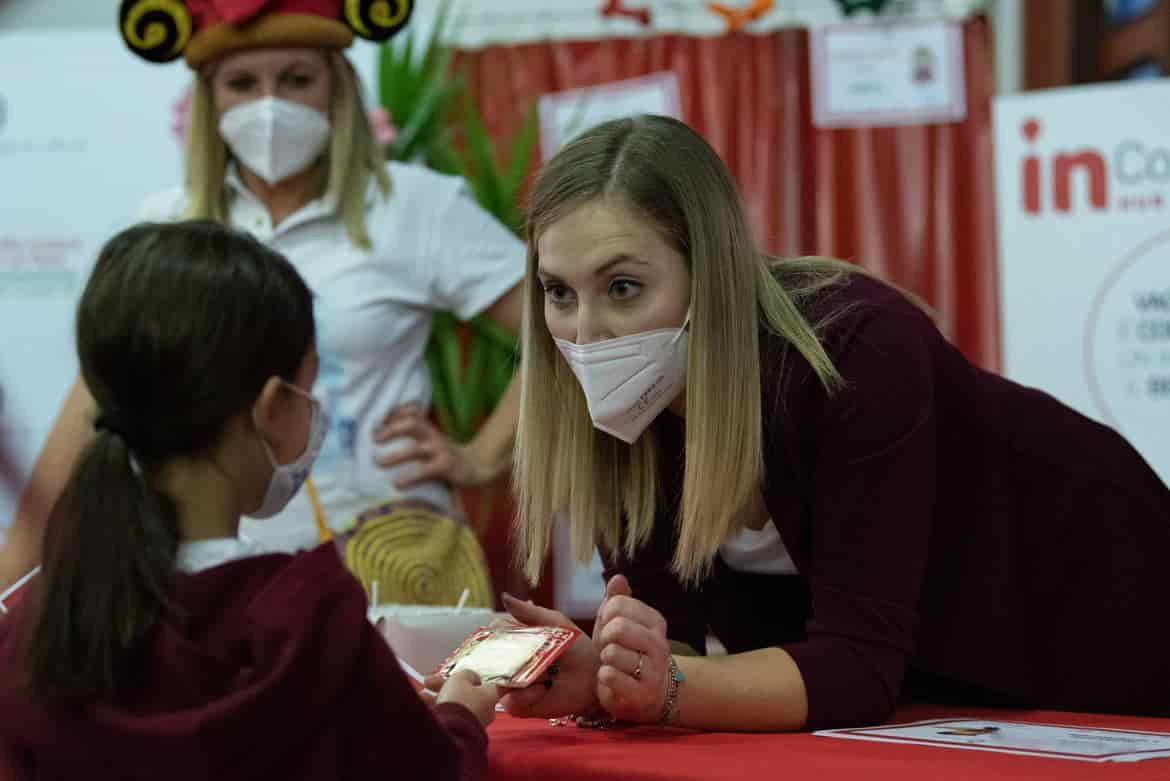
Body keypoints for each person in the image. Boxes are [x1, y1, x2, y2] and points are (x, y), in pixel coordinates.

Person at [495, 114, 1170, 732]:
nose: (586, 333)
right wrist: (609, 675)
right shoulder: (629, 419)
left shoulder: (857, 351)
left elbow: (854, 669)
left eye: (622, 287)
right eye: (558, 291)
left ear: (714, 274)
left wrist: (662, 681)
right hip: (952, 692)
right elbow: (673, 651)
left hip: (1112, 599)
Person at [0, 0, 526, 605]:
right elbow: (94, 402)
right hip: (204, 572)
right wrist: (16, 565)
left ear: (338, 84)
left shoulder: (416, 207)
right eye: (242, 83)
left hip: (394, 561)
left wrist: (482, 455)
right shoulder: (166, 227)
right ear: (208, 96)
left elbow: (560, 325)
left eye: (296, 78)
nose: (269, 106)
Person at [0, 221, 499, 778]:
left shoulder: (35, 630)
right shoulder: (312, 627)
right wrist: (459, 720)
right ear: (271, 408)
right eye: (306, 392)